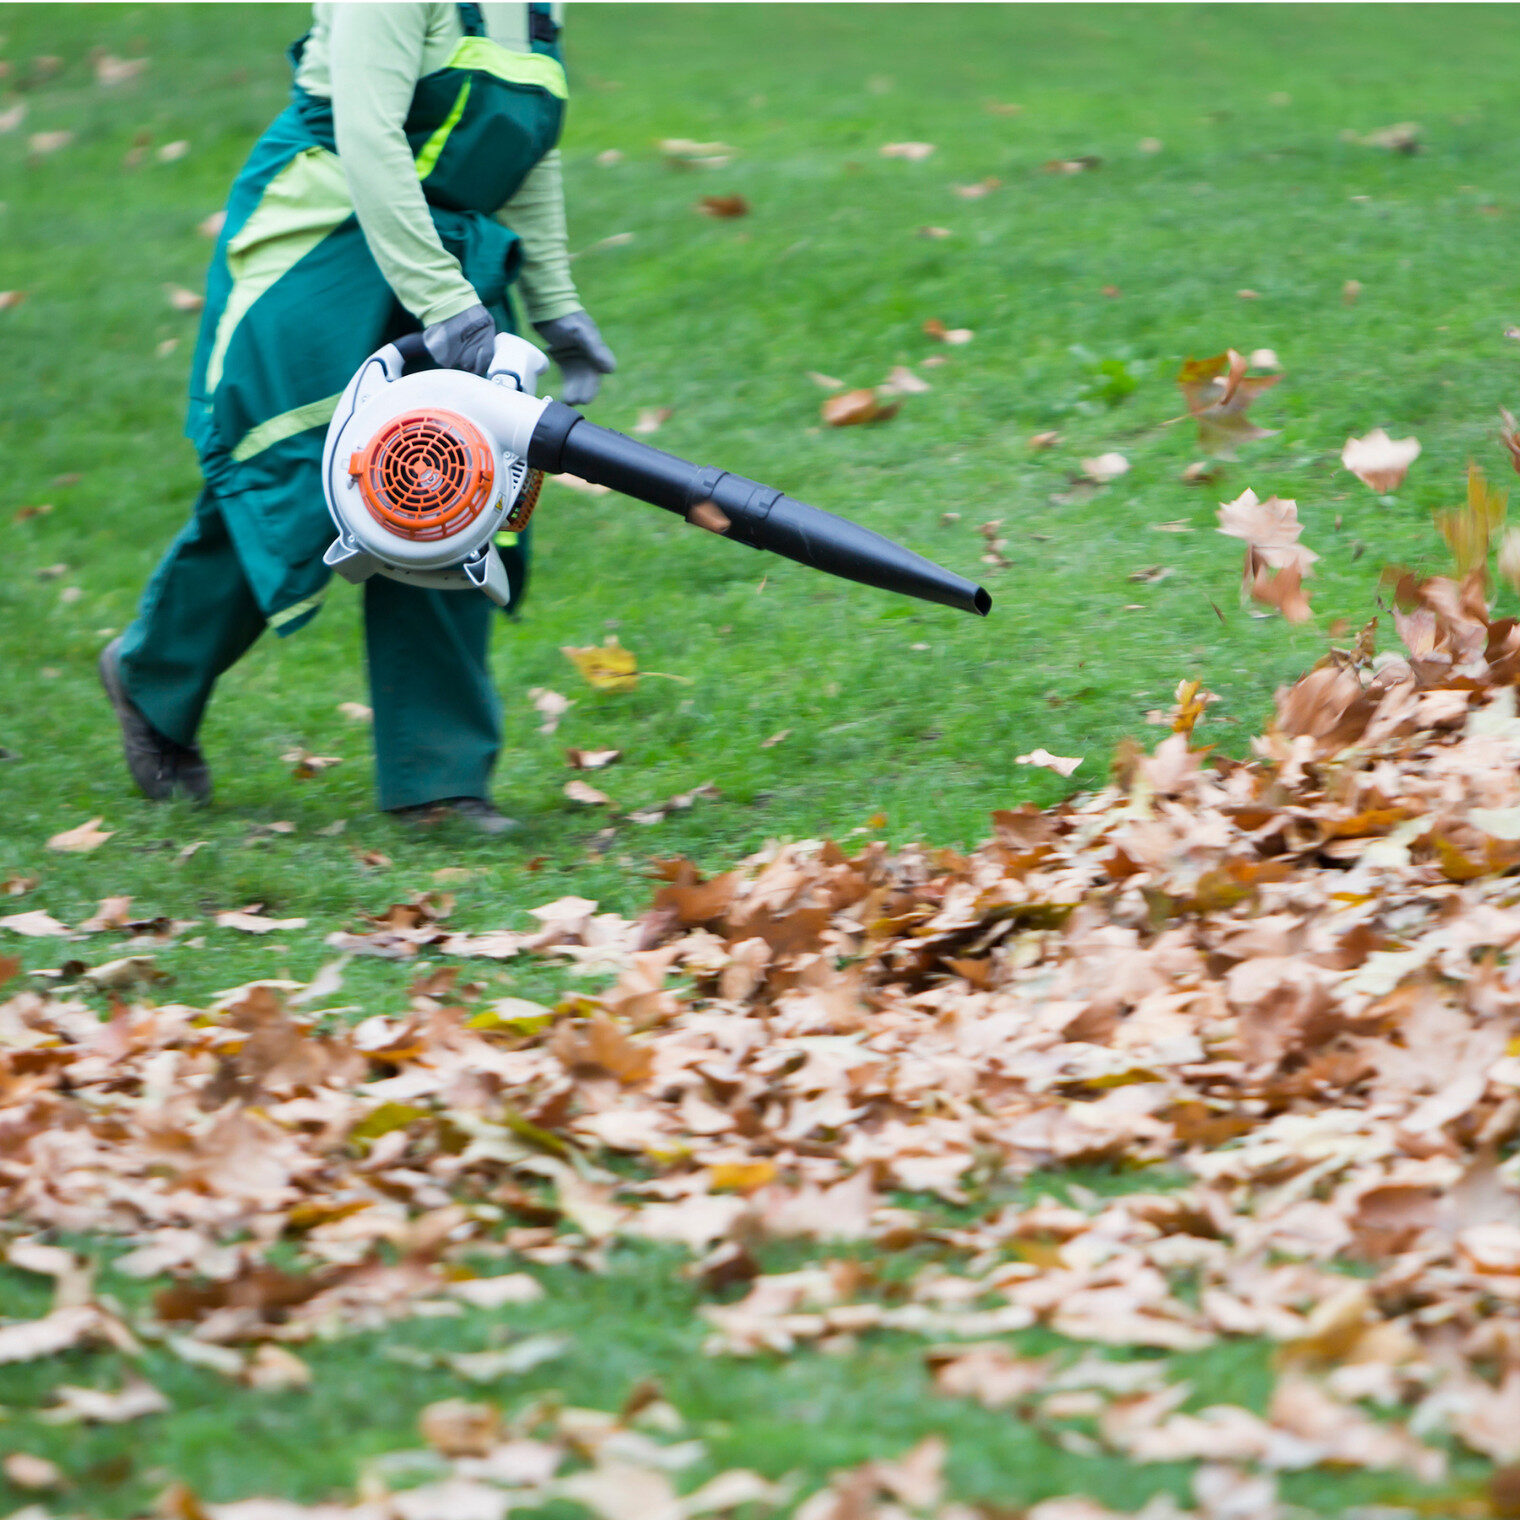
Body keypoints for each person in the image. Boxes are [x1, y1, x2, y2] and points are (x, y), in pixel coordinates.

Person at [100, 2, 615, 833]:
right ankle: (151, 676)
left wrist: (557, 306)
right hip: (324, 238)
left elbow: (530, 154)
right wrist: (443, 300)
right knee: (297, 484)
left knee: (454, 487)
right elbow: (369, 137)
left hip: (442, 253)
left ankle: (438, 785)